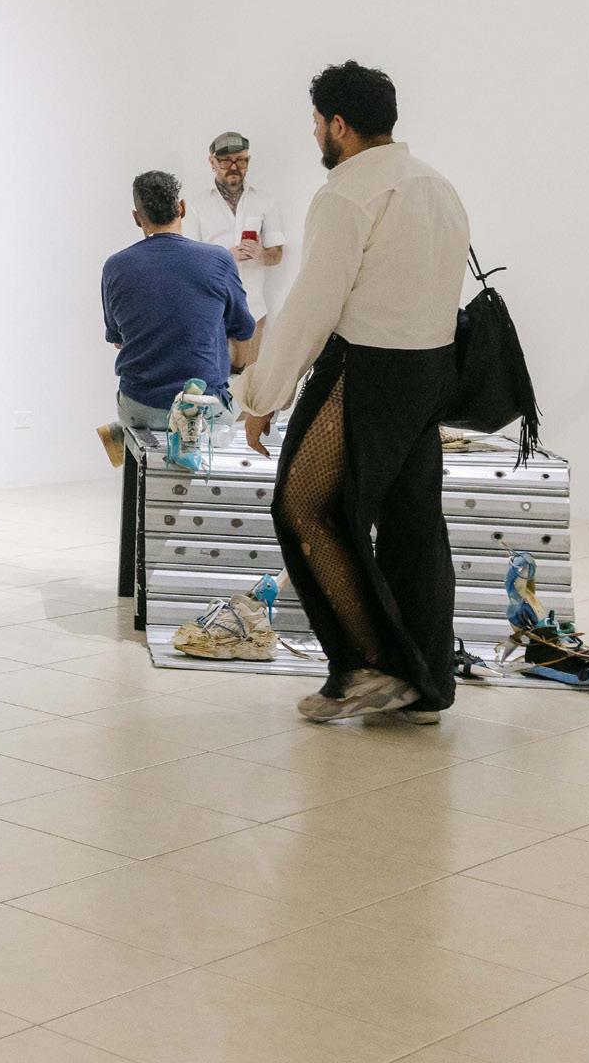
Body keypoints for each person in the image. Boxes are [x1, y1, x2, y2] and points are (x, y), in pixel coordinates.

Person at [242, 61, 470, 725]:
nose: (316, 133)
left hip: (364, 369)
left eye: (317, 122)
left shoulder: (346, 194)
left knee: (301, 508)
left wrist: (264, 393)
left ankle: (370, 667)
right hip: (430, 373)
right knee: (413, 528)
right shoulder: (437, 186)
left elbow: (314, 304)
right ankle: (423, 685)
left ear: (338, 125)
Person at [96, 170, 253, 466]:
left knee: (137, 406)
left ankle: (130, 430)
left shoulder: (115, 266)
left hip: (139, 405)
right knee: (230, 389)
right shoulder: (219, 259)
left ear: (137, 218)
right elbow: (243, 330)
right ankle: (187, 432)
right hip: (206, 403)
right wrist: (237, 371)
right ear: (181, 208)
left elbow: (118, 340)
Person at [183, 131, 286, 362]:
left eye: (241, 160)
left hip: (253, 308)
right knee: (214, 378)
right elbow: (188, 262)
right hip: (211, 309)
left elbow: (277, 254)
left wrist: (261, 254)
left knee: (249, 377)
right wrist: (225, 257)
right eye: (225, 161)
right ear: (212, 162)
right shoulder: (195, 206)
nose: (234, 167)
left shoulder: (265, 201)